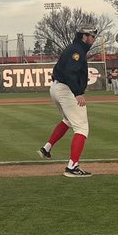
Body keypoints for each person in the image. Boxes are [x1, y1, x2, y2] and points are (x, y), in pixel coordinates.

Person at [38, 27, 98, 177]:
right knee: (82, 128)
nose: (94, 38)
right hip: (66, 90)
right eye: (92, 35)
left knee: (68, 121)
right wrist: (78, 93)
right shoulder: (76, 50)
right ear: (84, 36)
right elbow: (70, 72)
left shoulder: (74, 48)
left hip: (57, 87)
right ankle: (72, 167)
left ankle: (46, 148)